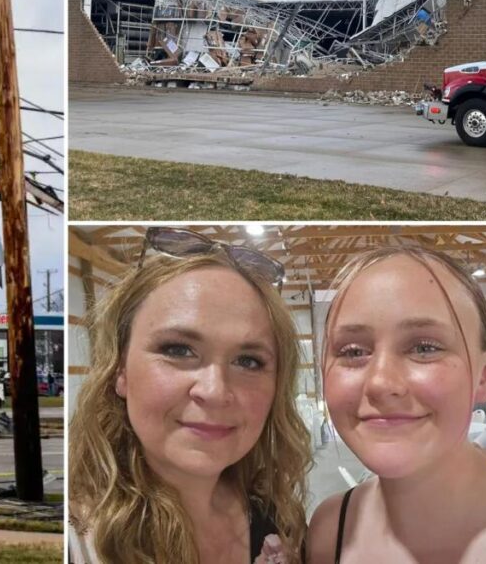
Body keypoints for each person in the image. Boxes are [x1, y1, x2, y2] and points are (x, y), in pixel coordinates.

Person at [308, 247, 486, 564]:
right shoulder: (328, 532)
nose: (380, 382)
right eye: (353, 351)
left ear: (485, 374)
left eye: (424, 348)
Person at [69, 227, 311, 563]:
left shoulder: (279, 524)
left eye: (248, 361)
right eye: (178, 350)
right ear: (119, 369)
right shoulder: (76, 542)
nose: (215, 391)